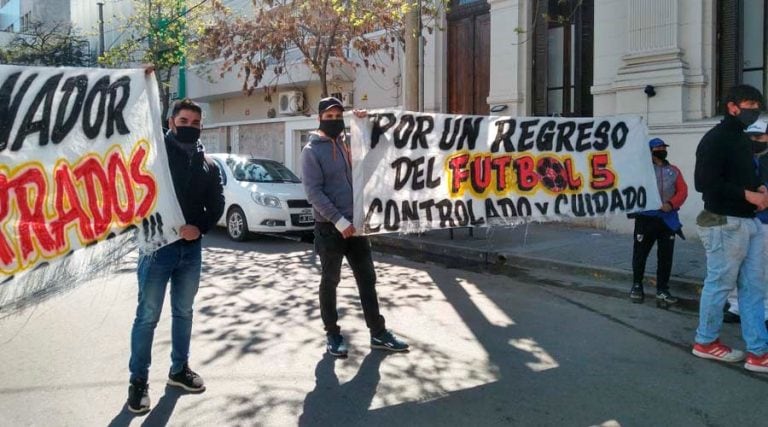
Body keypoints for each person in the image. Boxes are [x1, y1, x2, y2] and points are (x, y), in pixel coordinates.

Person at [127, 99, 225, 413]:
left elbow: (217, 203)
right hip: (156, 250)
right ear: (171, 123)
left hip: (190, 252)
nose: (190, 127)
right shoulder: (153, 158)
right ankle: (138, 381)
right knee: (147, 317)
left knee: (184, 312)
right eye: (184, 121)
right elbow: (134, 190)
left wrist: (201, 227)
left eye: (195, 123)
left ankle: (178, 370)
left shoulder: (207, 164)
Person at [301, 96, 409, 357]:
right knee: (330, 281)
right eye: (329, 117)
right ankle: (333, 334)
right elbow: (313, 192)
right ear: (319, 119)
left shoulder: (351, 143)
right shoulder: (311, 151)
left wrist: (367, 123)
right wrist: (339, 221)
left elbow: (383, 149)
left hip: (358, 228)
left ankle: (378, 333)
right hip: (330, 229)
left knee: (367, 279)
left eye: (338, 116)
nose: (334, 121)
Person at [692, 84, 768, 373]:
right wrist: (750, 196)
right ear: (732, 106)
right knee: (720, 284)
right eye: (749, 104)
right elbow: (704, 183)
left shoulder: (740, 139)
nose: (754, 109)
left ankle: (758, 352)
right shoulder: (716, 138)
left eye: (757, 104)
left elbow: (743, 176)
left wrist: (758, 188)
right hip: (724, 222)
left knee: (754, 289)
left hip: (748, 222)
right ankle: (706, 341)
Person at [629, 138, 688, 308]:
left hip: (667, 220)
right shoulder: (641, 171)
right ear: (650, 151)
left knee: (666, 257)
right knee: (640, 254)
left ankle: (662, 289)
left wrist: (671, 204)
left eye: (663, 147)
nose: (662, 149)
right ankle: (637, 285)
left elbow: (682, 191)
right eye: (658, 147)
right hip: (645, 219)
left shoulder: (673, 171)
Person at [722, 119, 768, 328]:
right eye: (750, 137)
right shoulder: (742, 159)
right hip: (741, 220)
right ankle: (735, 307)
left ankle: (765, 310)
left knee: (762, 269)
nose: (753, 141)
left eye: (758, 137)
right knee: (736, 266)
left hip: (764, 222)